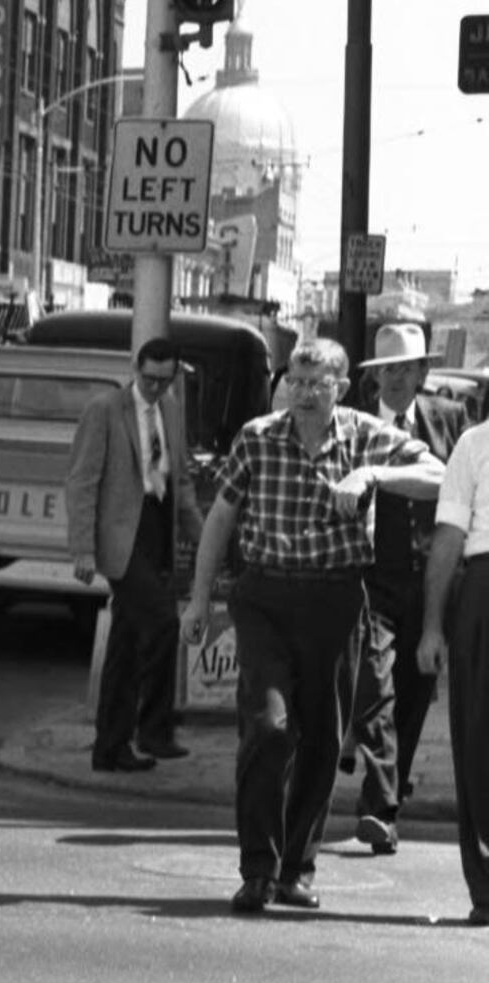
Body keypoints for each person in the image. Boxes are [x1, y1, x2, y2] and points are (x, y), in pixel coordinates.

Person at [182, 334, 443, 915]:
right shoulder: (257, 438)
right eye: (294, 382)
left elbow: (439, 475)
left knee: (323, 737)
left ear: (342, 388)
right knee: (269, 729)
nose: (301, 394)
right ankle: (257, 869)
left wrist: (373, 475)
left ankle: (295, 870)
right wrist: (199, 601)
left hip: (335, 601)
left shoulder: (363, 435)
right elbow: (222, 518)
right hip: (266, 597)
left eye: (315, 384)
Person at [63, 337, 194, 772]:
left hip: (156, 529)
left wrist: (202, 534)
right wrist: (82, 548)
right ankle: (153, 728)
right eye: (148, 378)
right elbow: (81, 482)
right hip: (120, 538)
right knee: (162, 621)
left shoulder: (171, 409)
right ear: (134, 369)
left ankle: (111, 746)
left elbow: (182, 477)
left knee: (125, 642)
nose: (155, 388)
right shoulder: (105, 410)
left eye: (164, 380)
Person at [350, 327, 447, 853]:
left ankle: (385, 802)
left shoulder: (447, 420)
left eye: (409, 368)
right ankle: (380, 804)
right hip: (373, 578)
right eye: (390, 369)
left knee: (412, 694)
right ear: (374, 377)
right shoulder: (357, 428)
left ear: (422, 373)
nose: (400, 377)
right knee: (376, 690)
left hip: (429, 584)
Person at [416, 394, 489, 924]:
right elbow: (448, 537)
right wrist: (433, 627)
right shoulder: (475, 444)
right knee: (478, 739)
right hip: (483, 587)